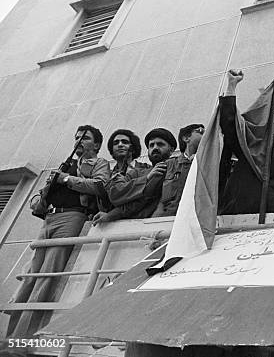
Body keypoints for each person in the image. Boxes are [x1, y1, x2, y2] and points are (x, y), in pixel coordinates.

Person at [7, 125, 110, 337]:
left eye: (85, 138)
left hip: (72, 216)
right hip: (49, 218)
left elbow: (99, 186)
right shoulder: (66, 164)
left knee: (48, 274)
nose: (79, 141)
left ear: (96, 144)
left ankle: (24, 339)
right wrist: (41, 198)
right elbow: (38, 198)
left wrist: (65, 179)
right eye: (76, 138)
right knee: (31, 274)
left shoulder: (99, 163)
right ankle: (10, 338)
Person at [219, 69, 274, 214]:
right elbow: (230, 128)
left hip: (272, 215)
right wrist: (231, 87)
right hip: (235, 210)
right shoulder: (255, 139)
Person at [106, 128, 176, 219]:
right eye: (151, 145)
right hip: (135, 225)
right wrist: (146, 178)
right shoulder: (137, 172)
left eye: (160, 144)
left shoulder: (177, 168)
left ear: (171, 150)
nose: (155, 148)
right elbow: (115, 194)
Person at [92, 129, 151, 226]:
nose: (120, 144)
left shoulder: (146, 169)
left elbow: (144, 197)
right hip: (109, 224)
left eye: (125, 142)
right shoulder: (107, 175)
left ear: (133, 147)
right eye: (116, 143)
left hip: (139, 221)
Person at [151, 124, 205, 217]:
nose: (206, 135)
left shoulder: (209, 163)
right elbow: (156, 196)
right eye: (200, 131)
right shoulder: (168, 165)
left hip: (197, 218)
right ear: (186, 138)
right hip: (169, 219)